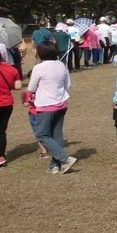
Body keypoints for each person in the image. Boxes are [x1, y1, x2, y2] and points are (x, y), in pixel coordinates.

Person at [25, 43, 79, 175]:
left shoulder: (39, 67)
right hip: (61, 104)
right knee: (57, 135)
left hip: (46, 105)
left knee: (42, 135)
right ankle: (54, 165)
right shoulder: (61, 65)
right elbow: (68, 85)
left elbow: (31, 88)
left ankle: (65, 159)